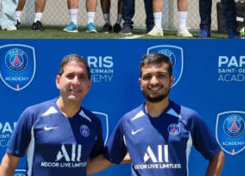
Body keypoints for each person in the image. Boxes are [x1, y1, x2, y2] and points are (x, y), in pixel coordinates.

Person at [87, 53, 225, 175]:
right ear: (140, 83)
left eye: (161, 76)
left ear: (171, 80)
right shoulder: (127, 121)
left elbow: (217, 155)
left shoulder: (189, 118)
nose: (154, 82)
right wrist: (68, 171)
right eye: (148, 77)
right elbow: (108, 158)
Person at [0, 54, 104, 176]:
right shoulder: (33, 115)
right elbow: (9, 162)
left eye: (82, 77)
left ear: (89, 85)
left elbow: (92, 163)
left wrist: (126, 155)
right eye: (70, 76)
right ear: (58, 81)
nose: (76, 82)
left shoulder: (93, 122)